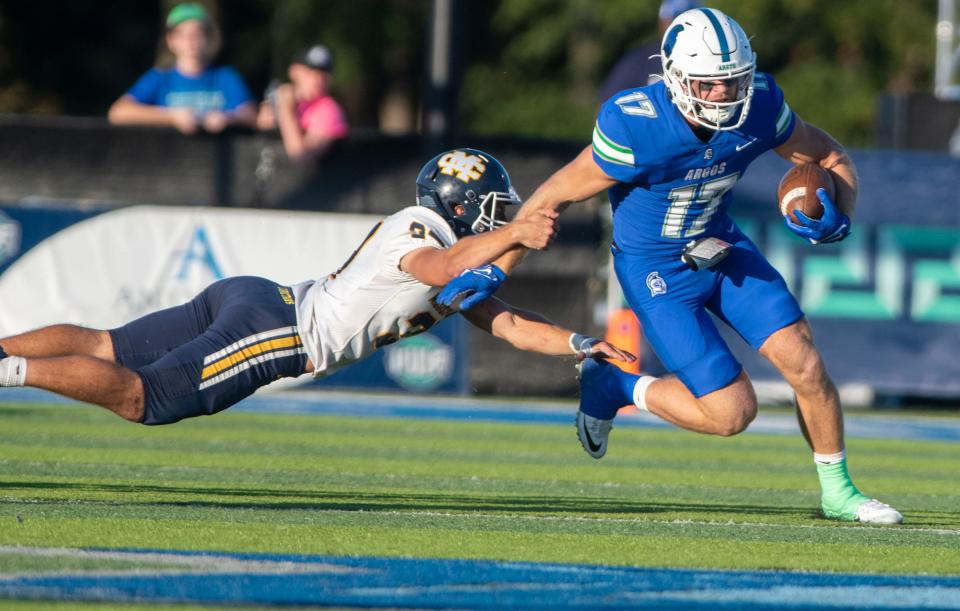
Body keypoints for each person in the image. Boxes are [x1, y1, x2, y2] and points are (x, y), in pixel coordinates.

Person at [437, 9, 902, 525]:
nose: (725, 95)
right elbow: (552, 197)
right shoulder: (636, 124)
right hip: (654, 268)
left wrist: (841, 214)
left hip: (720, 244)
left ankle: (837, 492)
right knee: (732, 415)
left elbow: (829, 155)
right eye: (710, 84)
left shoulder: (761, 103)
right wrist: (495, 267)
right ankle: (618, 385)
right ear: (677, 78)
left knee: (806, 364)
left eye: (734, 81)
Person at [0, 149, 633, 426]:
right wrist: (518, 232)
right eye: (493, 209)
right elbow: (440, 269)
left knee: (109, 344)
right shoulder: (423, 230)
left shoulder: (455, 248)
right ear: (462, 207)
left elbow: (510, 323)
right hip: (278, 330)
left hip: (260, 298)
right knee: (146, 398)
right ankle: (9, 371)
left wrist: (581, 343)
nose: (502, 219)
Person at [108, 2, 257, 134]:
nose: (190, 41)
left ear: (208, 38)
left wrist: (227, 118)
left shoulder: (225, 77)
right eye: (183, 35)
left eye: (197, 34)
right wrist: (172, 116)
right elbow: (118, 112)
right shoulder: (159, 77)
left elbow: (250, 114)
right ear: (171, 41)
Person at [597, 0, 703, 103]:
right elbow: (608, 104)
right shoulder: (641, 60)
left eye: (688, 22)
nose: (681, 28)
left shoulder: (712, 58)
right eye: (674, 21)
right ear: (662, 22)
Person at [257, 44, 349, 164]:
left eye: (324, 74)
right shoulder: (287, 102)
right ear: (294, 72)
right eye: (310, 72)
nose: (318, 79)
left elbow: (301, 154)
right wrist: (264, 123)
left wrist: (284, 108)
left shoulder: (329, 109)